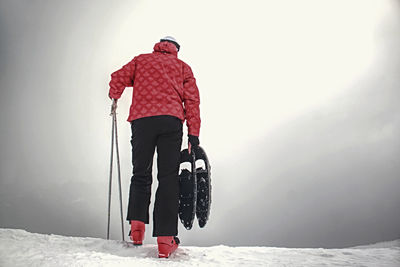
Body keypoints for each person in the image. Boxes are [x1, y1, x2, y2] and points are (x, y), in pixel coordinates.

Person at [108, 36, 201, 258]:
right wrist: (193, 134)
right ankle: (165, 240)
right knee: (168, 178)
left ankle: (137, 230)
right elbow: (192, 101)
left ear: (158, 46)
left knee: (140, 173)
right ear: (176, 49)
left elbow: (117, 77)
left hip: (142, 121)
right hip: (171, 121)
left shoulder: (141, 60)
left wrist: (114, 96)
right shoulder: (182, 67)